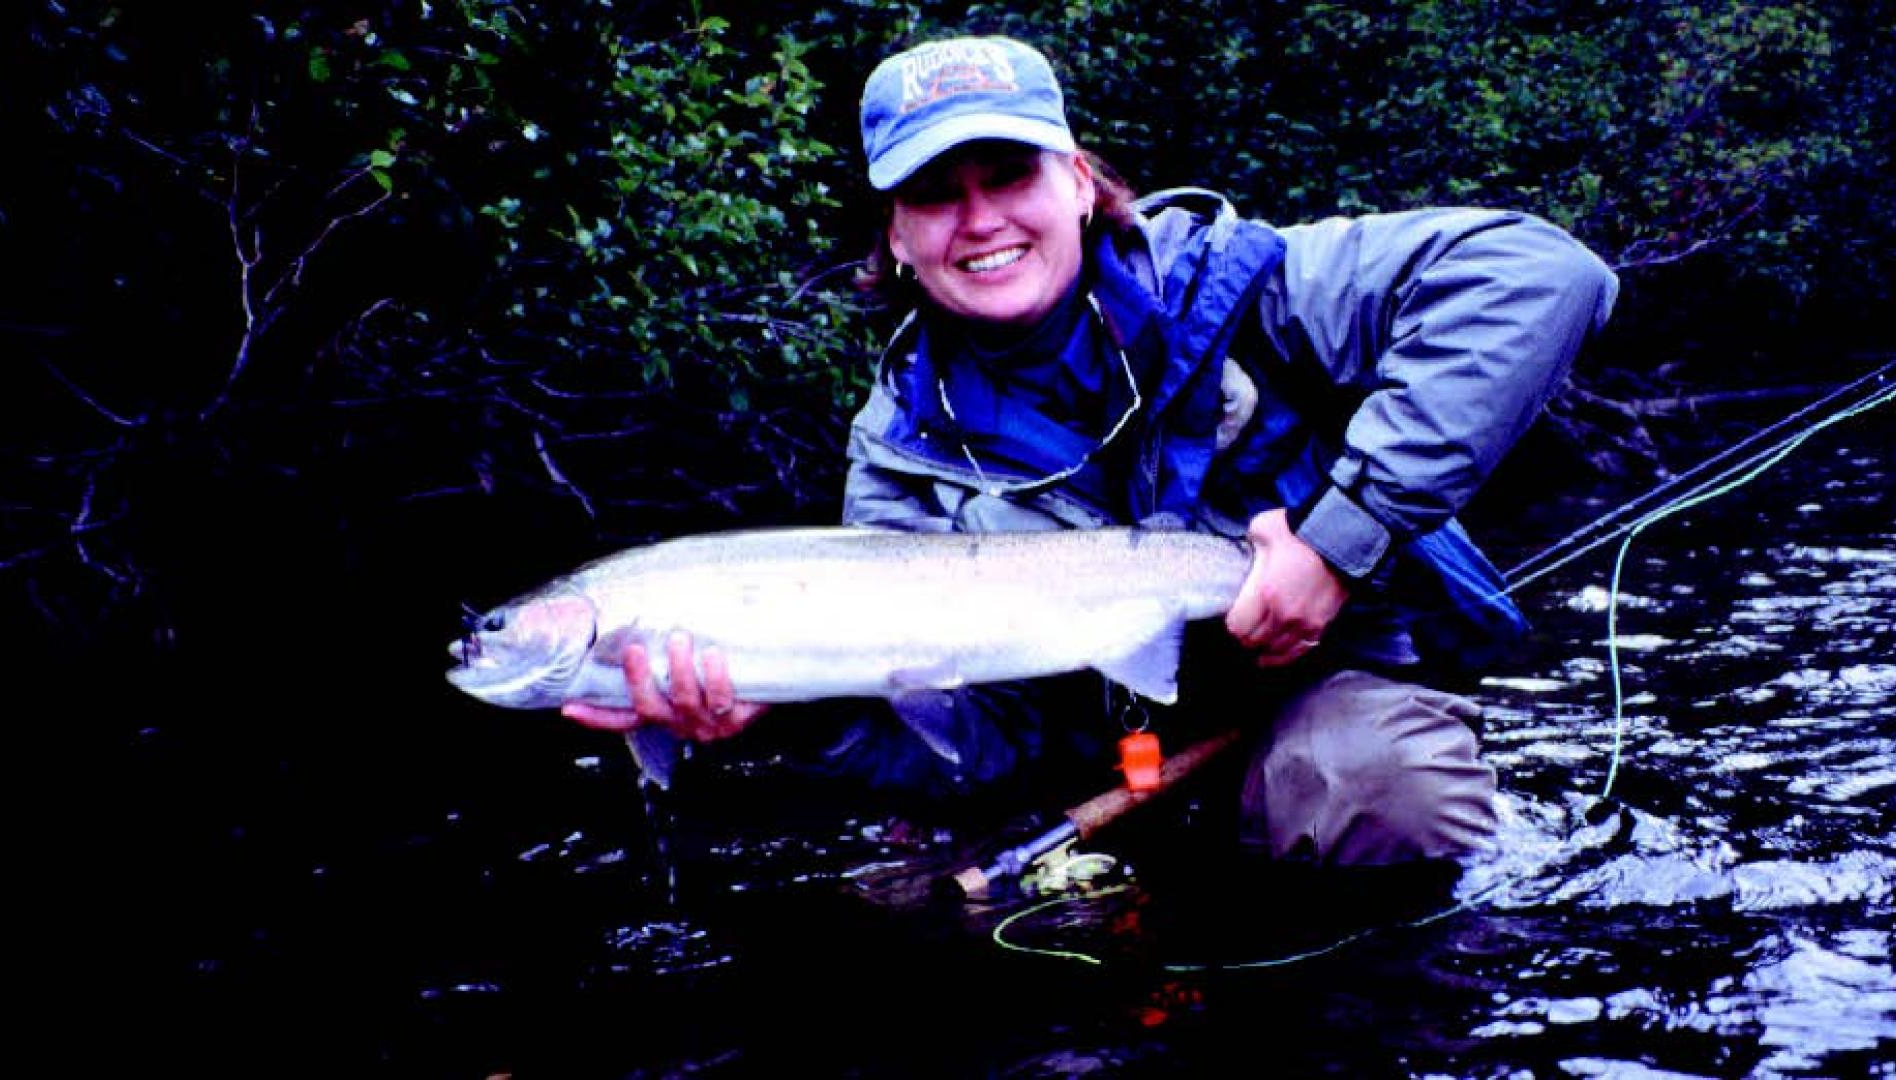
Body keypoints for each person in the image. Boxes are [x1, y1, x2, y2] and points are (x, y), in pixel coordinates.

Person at [564, 35, 1618, 867]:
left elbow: (1541, 276)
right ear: (893, 234)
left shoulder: (1249, 286)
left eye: (1009, 173)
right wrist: (790, 717)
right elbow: (970, 744)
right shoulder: (895, 458)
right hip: (1097, 763)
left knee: (1381, 792)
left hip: (1323, 695)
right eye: (934, 194)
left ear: (1077, 179)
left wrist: (1341, 541)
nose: (979, 221)